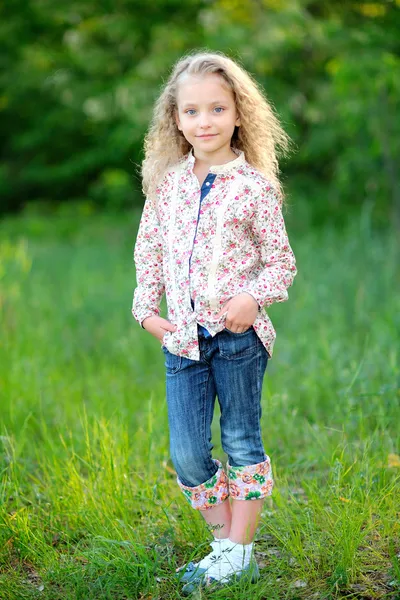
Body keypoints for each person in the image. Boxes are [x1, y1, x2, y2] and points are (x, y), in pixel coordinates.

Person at [132, 50, 297, 594]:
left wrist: (253, 297)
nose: (205, 122)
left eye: (217, 109)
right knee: (187, 453)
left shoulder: (255, 188)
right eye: (192, 111)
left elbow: (281, 264)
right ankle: (227, 543)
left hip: (238, 340)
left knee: (242, 440)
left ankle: (239, 553)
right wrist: (147, 313)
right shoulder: (166, 186)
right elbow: (149, 251)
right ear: (175, 120)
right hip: (180, 339)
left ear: (238, 114)